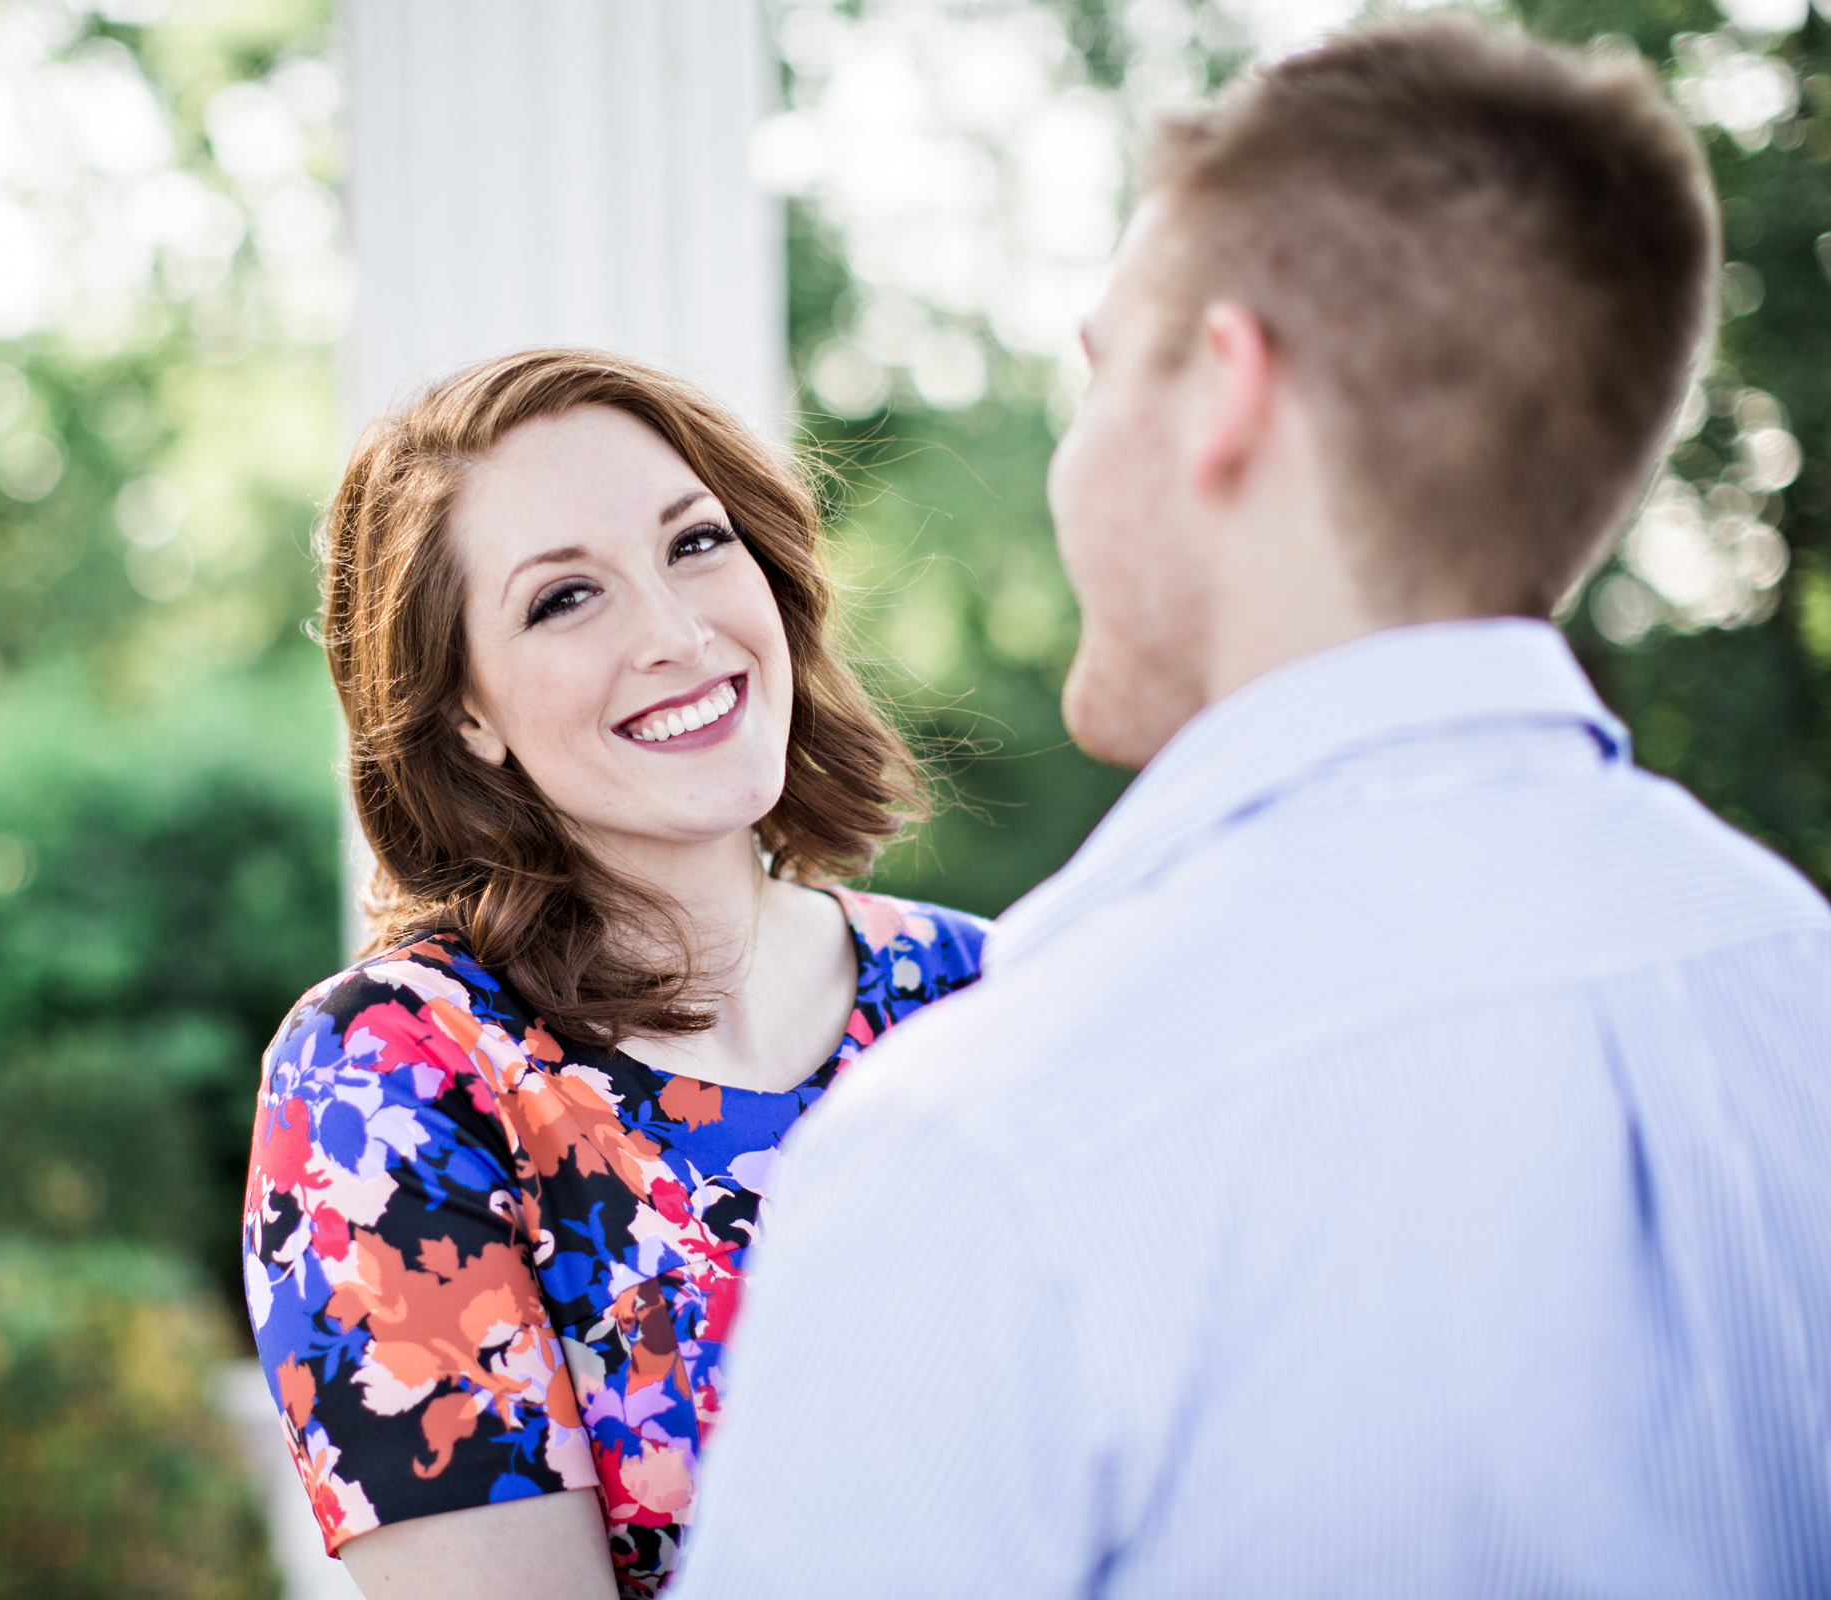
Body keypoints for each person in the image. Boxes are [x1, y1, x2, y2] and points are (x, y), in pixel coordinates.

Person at [675, 19, 1831, 1599]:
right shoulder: (1792, 979)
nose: (1072, 463)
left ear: (1221, 389)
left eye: (1100, 372)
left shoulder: (990, 1148)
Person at [240, 348, 986, 1600]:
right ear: (463, 709)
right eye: (564, 599)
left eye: (695, 544)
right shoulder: (386, 1083)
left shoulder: (983, 990)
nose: (680, 633)